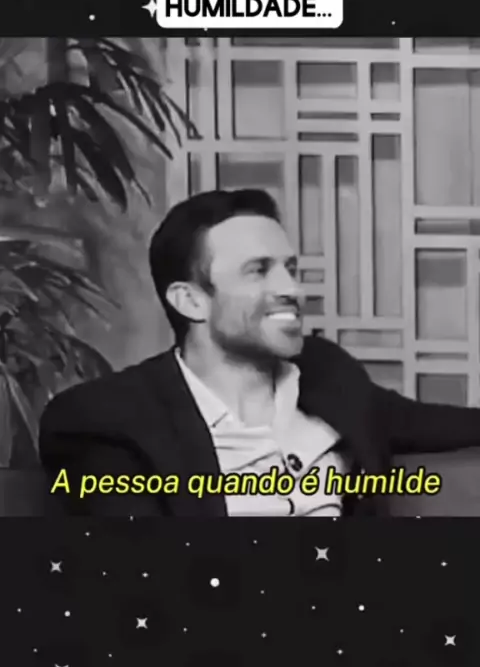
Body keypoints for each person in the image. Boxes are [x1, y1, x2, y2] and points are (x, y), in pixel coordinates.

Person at [39, 188, 480, 517]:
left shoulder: (327, 375)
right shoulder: (104, 423)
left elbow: (424, 422)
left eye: (290, 268)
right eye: (258, 271)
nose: (292, 290)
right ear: (191, 301)